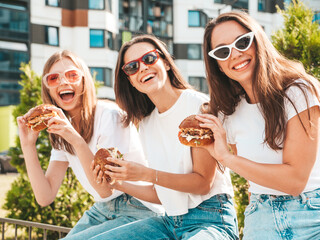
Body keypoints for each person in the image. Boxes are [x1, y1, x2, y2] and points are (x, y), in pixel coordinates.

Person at [89, 35, 238, 240]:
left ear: (166, 62)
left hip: (211, 220)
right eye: (132, 67)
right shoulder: (147, 124)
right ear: (130, 80)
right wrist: (117, 183)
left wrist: (145, 174)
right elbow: (162, 194)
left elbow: (203, 183)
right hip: (170, 222)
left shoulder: (199, 107)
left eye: (149, 59)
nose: (142, 68)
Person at [198, 11, 320, 240]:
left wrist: (228, 159)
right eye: (223, 51)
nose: (235, 54)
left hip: (312, 215)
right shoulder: (228, 112)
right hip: (260, 216)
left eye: (243, 42)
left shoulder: (298, 92)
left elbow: (295, 181)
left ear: (258, 41)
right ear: (218, 65)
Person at [17, 50, 164, 240]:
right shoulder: (61, 129)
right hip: (102, 209)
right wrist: (28, 146)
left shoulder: (108, 115)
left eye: (72, 75)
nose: (63, 82)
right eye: (54, 78)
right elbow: (45, 197)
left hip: (140, 207)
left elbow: (106, 188)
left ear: (84, 82)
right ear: (49, 90)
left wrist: (76, 140)